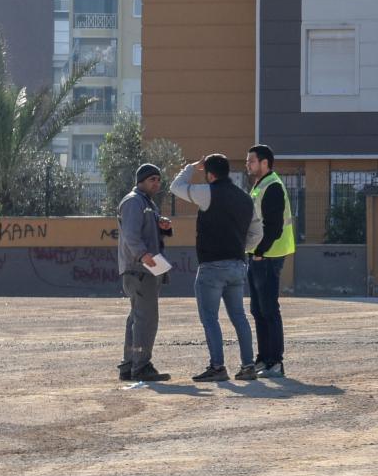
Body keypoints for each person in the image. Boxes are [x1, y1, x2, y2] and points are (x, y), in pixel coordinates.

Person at [187, 153, 258, 384]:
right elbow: (258, 233)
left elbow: (176, 187)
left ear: (209, 174)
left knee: (210, 318)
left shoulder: (208, 192)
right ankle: (248, 366)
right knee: (239, 317)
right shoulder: (245, 198)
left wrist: (190, 168)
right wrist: (240, 248)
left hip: (212, 266)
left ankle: (217, 367)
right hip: (238, 264)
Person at [114, 163, 174, 384]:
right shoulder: (133, 201)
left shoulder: (147, 203)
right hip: (140, 269)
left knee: (137, 318)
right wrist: (142, 255)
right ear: (140, 181)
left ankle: (129, 365)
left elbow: (147, 232)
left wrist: (164, 227)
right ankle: (141, 366)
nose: (156, 183)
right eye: (152, 180)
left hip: (143, 269)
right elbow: (131, 235)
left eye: (158, 179)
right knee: (146, 319)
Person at [243, 144, 295, 382]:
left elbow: (273, 226)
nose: (248, 165)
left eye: (251, 161)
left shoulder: (272, 186)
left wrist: (261, 252)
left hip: (268, 256)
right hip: (259, 254)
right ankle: (264, 358)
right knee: (258, 309)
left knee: (268, 309)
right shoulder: (260, 185)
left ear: (265, 163)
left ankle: (275, 362)